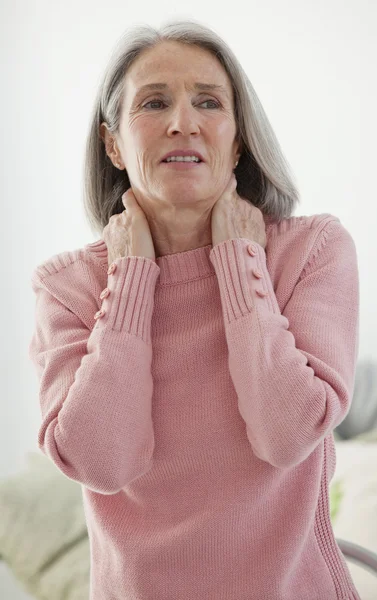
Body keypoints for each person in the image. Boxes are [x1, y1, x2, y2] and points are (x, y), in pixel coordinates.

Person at [28, 18, 361, 600]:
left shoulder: (312, 252)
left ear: (237, 138)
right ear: (113, 144)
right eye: (154, 103)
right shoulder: (67, 287)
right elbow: (103, 461)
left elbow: (287, 435)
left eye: (208, 102)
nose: (183, 123)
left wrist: (238, 261)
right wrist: (131, 277)